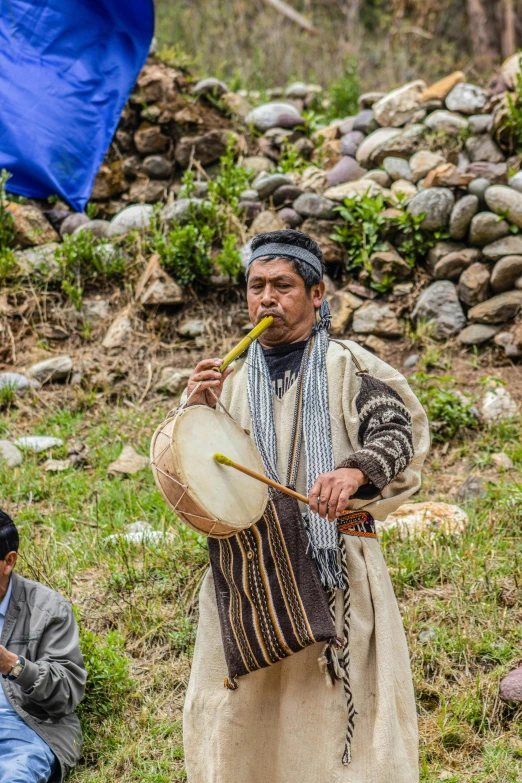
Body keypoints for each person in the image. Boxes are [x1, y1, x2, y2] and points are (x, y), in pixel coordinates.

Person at [182, 229, 430, 783]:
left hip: (337, 574)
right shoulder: (230, 383)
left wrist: (354, 470)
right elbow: (191, 477)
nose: (266, 299)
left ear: (317, 295)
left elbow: (396, 432)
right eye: (256, 287)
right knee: (241, 728)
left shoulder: (350, 365)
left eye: (282, 286)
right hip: (248, 580)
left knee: (345, 735)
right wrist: (194, 415)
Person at [0, 509, 86, 783]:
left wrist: (13, 665)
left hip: (28, 729)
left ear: (8, 561)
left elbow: (67, 692)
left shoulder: (49, 609)